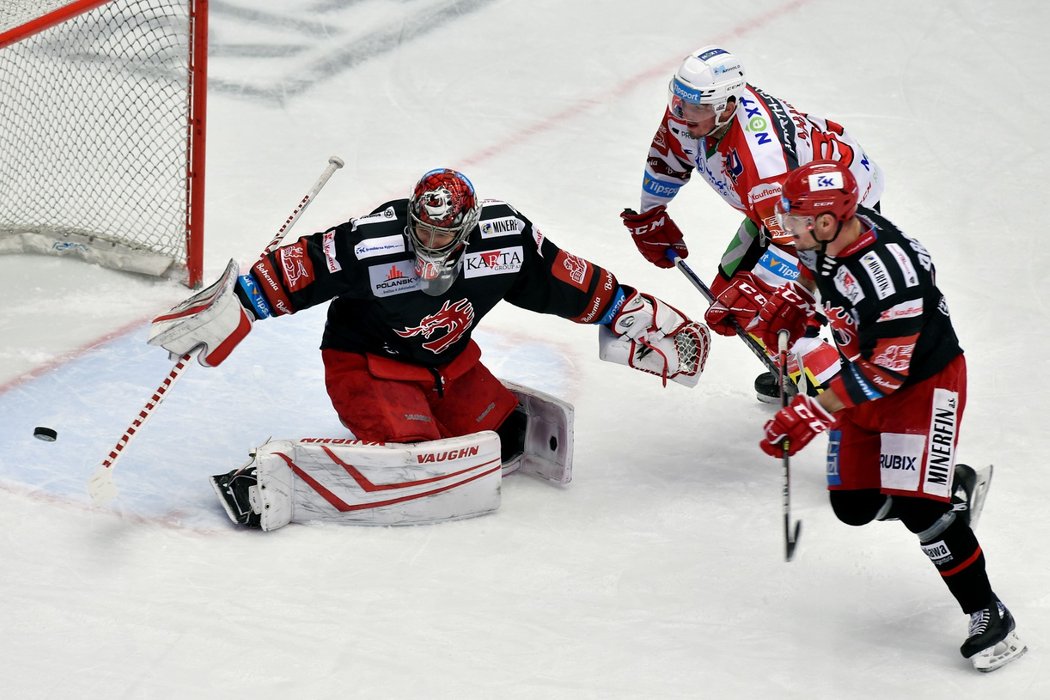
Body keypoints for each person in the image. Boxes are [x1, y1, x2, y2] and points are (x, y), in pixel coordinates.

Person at [148, 168, 710, 528]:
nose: (430, 242)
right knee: (417, 459)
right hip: (366, 364)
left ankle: (436, 420)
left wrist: (629, 312)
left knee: (506, 436)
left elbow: (564, 279)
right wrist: (239, 304)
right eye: (423, 228)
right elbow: (301, 266)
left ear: (468, 226)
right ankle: (277, 476)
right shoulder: (370, 240)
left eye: (445, 234)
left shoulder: (505, 238)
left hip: (447, 363)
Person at [731, 160, 1025, 672]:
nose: (789, 228)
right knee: (853, 505)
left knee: (918, 510)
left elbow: (887, 375)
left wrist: (811, 411)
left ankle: (989, 614)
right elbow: (814, 274)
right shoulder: (828, 237)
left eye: (797, 220)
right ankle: (951, 487)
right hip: (862, 376)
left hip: (922, 387)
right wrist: (793, 305)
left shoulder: (892, 279)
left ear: (825, 223)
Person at [620, 45, 884, 402]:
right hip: (787, 212)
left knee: (769, 313)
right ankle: (796, 369)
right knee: (729, 292)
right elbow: (668, 155)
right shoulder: (693, 114)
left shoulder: (763, 164)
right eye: (677, 100)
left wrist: (767, 297)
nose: (680, 114)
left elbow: (801, 246)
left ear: (726, 106)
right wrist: (650, 214)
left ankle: (856, 407)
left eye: (693, 107)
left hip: (834, 220)